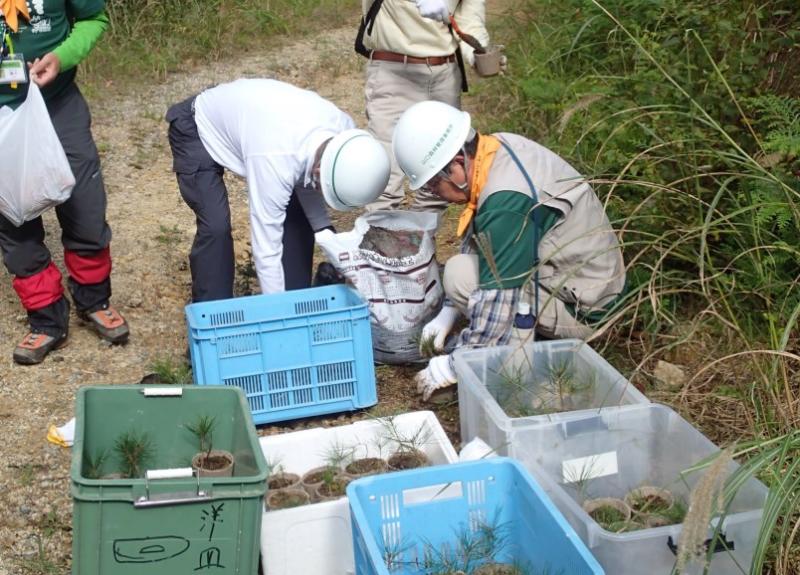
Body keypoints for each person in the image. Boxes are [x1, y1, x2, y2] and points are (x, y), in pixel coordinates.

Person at [391, 101, 626, 399]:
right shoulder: (494, 150)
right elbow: (484, 238)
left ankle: (518, 382)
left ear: (457, 165)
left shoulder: (506, 204)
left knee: (477, 287)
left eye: (434, 185)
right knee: (460, 273)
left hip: (586, 307)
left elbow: (498, 305)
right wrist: (448, 311)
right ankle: (522, 348)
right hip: (571, 274)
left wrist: (453, 366)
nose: (435, 194)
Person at [165, 78, 391, 301]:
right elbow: (266, 248)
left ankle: (296, 298)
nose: (321, 191)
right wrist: (279, 313)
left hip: (255, 121)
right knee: (216, 226)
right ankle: (214, 318)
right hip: (195, 126)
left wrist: (328, 236)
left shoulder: (344, 133)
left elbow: (309, 179)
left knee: (299, 217)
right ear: (322, 168)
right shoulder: (275, 159)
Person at [0, 0, 129, 365]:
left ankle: (94, 299)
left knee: (86, 204)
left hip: (57, 105)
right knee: (13, 219)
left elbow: (93, 19)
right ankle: (46, 317)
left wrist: (62, 56)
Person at [356, 0, 495, 211]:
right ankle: (379, 240)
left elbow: (468, 19)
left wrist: (477, 53)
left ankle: (420, 240)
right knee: (382, 178)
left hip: (444, 74)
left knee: (441, 176)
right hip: (393, 70)